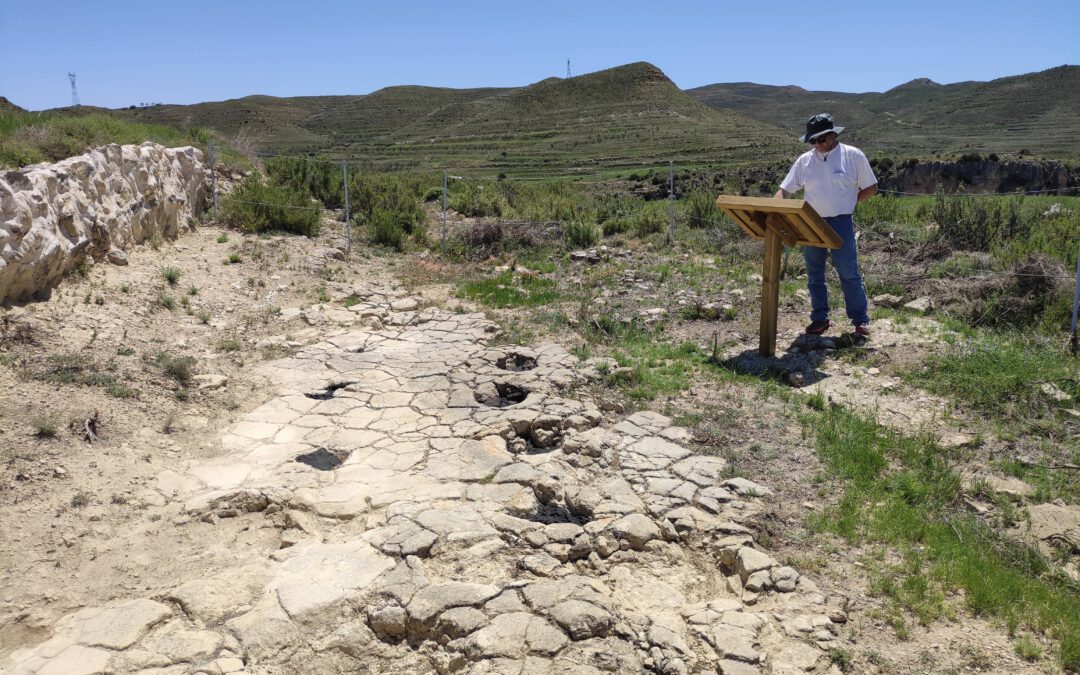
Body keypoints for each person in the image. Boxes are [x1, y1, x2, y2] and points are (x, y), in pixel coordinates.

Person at [774, 113, 877, 336]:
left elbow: (871, 187)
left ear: (833, 135)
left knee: (848, 272)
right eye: (812, 140)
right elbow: (785, 190)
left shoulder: (853, 155)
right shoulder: (804, 160)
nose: (817, 144)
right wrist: (773, 210)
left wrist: (851, 202)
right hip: (811, 222)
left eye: (821, 139)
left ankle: (860, 320)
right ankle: (819, 319)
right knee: (814, 273)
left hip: (841, 222)